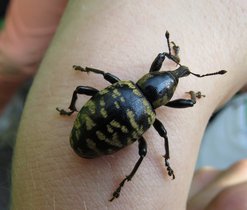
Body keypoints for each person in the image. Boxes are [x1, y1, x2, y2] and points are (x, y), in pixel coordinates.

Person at [1, 1, 246, 209]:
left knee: (81, 90)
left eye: (175, 77)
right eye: (174, 75)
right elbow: (170, 124)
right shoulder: (150, 115)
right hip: (105, 137)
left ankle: (72, 110)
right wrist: (193, 96)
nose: (176, 74)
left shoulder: (127, 87)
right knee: (144, 152)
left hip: (102, 123)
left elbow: (106, 74)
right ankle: (126, 181)